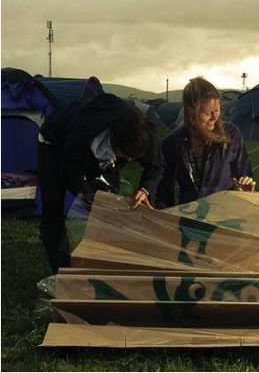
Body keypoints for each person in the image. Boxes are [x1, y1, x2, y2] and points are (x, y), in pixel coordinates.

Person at [37, 93, 165, 273]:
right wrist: (91, 197)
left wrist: (145, 189)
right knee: (53, 201)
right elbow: (71, 174)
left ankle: (106, 258)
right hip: (55, 143)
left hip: (100, 146)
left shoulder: (144, 133)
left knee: (111, 201)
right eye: (124, 155)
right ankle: (61, 269)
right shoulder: (83, 130)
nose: (128, 160)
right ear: (114, 140)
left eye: (132, 158)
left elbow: (156, 166)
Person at [156, 76, 255, 209]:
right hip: (190, 217)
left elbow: (244, 173)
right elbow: (164, 191)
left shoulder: (231, 135)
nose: (215, 117)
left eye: (217, 110)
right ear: (191, 111)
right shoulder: (173, 143)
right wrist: (166, 221)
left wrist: (246, 188)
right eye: (208, 113)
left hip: (226, 214)